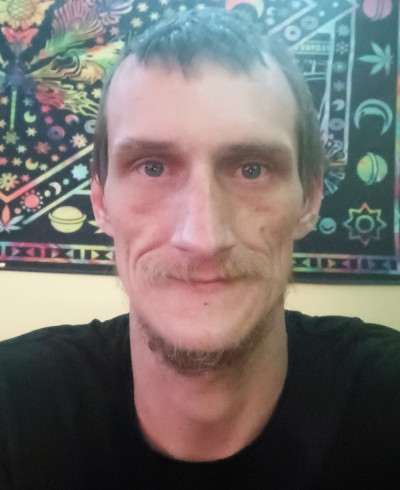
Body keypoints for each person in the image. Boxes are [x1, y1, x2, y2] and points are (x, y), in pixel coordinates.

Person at [1, 8, 399, 489]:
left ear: (310, 199)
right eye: (152, 167)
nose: (203, 237)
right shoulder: (15, 409)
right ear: (101, 202)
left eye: (251, 169)